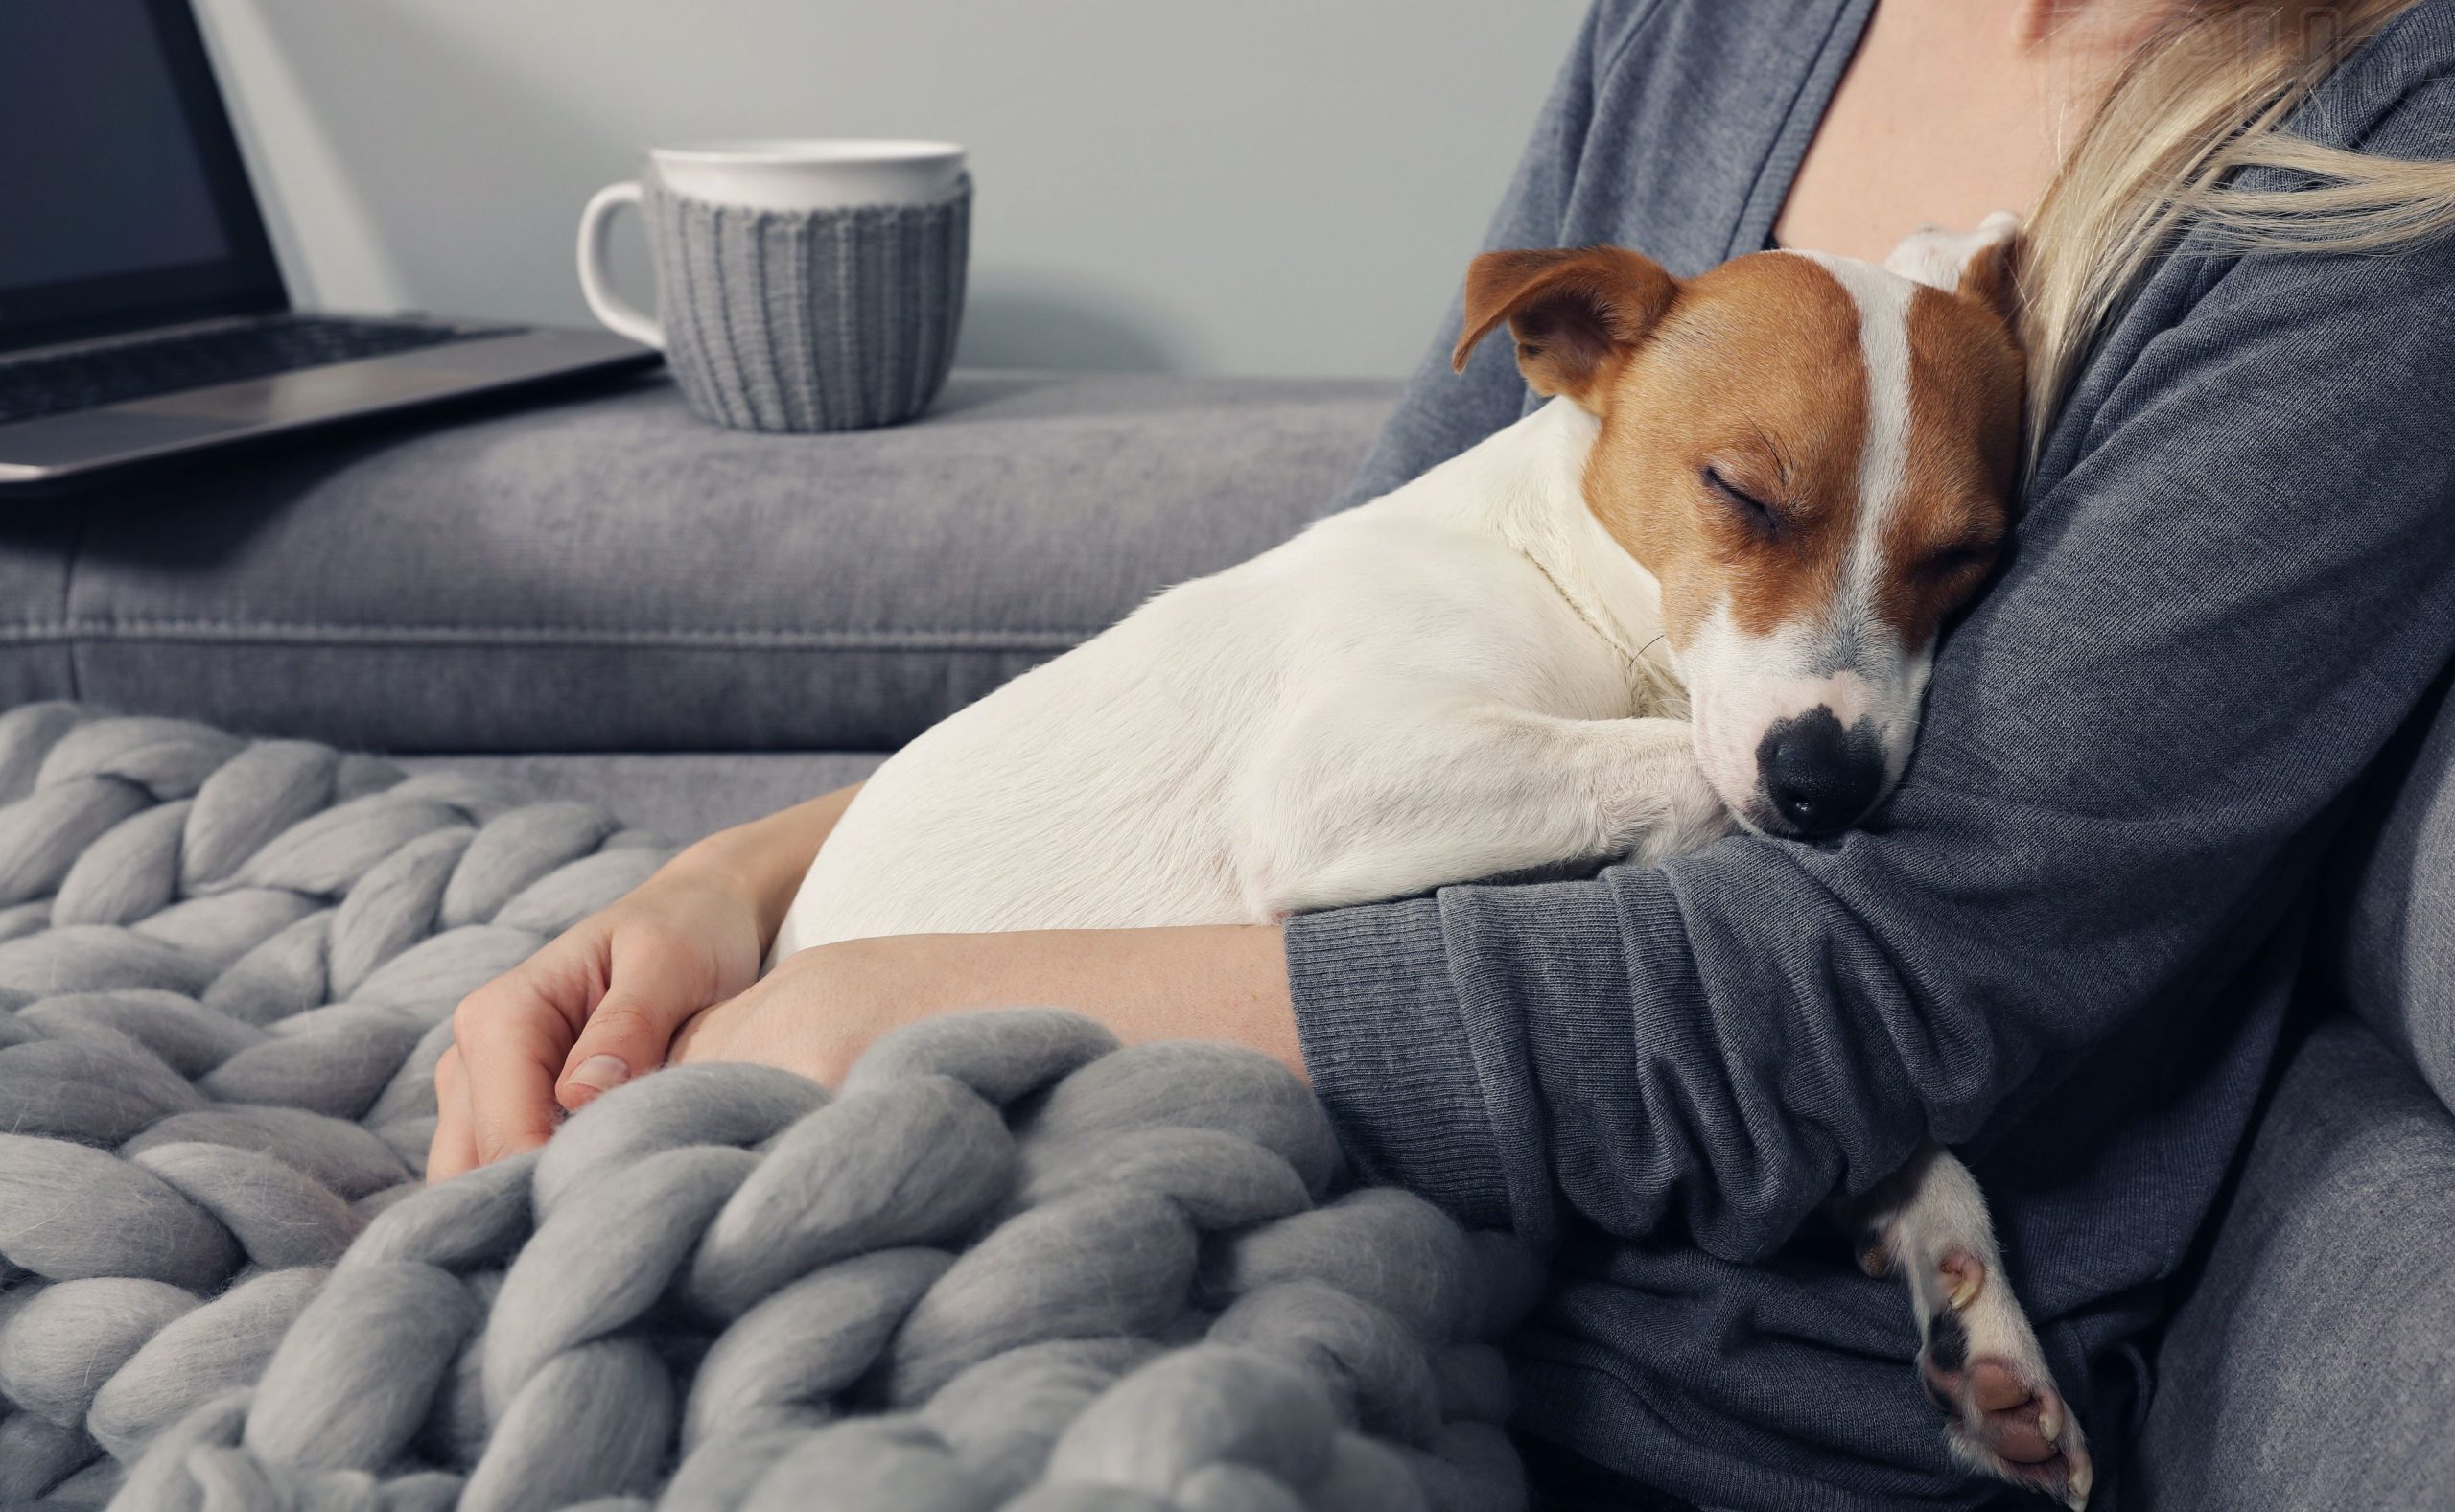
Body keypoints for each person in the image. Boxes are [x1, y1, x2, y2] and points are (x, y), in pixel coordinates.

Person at [431, 2, 2455, 1506]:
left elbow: (1868, 987)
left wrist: (916, 1003)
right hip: (1129, 1150)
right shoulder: (1730, 21)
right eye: (1746, 507)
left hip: (1658, 1377)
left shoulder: (2383, 163)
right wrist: (746, 887)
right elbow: (1341, 608)